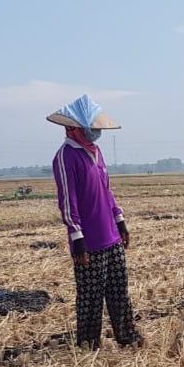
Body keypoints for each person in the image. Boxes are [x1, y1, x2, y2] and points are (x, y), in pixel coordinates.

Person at [48, 94, 144, 350]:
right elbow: (68, 203)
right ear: (75, 127)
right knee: (90, 297)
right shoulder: (66, 157)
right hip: (89, 242)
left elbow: (106, 190)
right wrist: (76, 239)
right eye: (92, 128)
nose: (96, 133)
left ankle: (128, 337)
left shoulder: (96, 152)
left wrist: (120, 220)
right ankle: (89, 345)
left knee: (119, 291)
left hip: (111, 235)